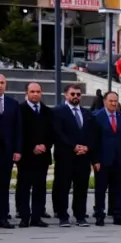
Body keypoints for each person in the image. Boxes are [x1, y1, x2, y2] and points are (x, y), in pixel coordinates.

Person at [52, 84, 93, 227]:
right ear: (66, 95)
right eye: (73, 94)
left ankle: (80, 215)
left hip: (83, 157)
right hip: (65, 156)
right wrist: (73, 146)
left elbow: (91, 133)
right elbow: (58, 133)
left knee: (81, 187)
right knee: (63, 186)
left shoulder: (86, 113)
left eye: (78, 94)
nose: (76, 97)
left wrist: (86, 147)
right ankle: (63, 216)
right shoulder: (58, 111)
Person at [16, 82, 54, 227]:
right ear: (27, 93)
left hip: (42, 156)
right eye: (32, 91)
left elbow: (51, 133)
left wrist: (45, 145)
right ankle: (24, 216)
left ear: (41, 93)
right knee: (24, 187)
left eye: (38, 91)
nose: (35, 94)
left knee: (40, 187)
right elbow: (19, 133)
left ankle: (37, 216)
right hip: (26, 156)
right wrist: (32, 147)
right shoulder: (20, 110)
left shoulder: (47, 111)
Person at [90, 91, 121, 227]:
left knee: (118, 188)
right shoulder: (96, 116)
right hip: (102, 160)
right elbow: (94, 141)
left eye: (115, 101)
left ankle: (117, 214)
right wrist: (95, 160)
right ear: (105, 101)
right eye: (111, 101)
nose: (113, 103)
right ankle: (99, 215)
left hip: (119, 159)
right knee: (101, 189)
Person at [0, 74, 20, 229]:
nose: (0, 85)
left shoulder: (13, 104)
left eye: (2, 83)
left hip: (6, 152)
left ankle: (3, 216)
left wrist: (17, 150)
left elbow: (18, 129)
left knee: (4, 185)